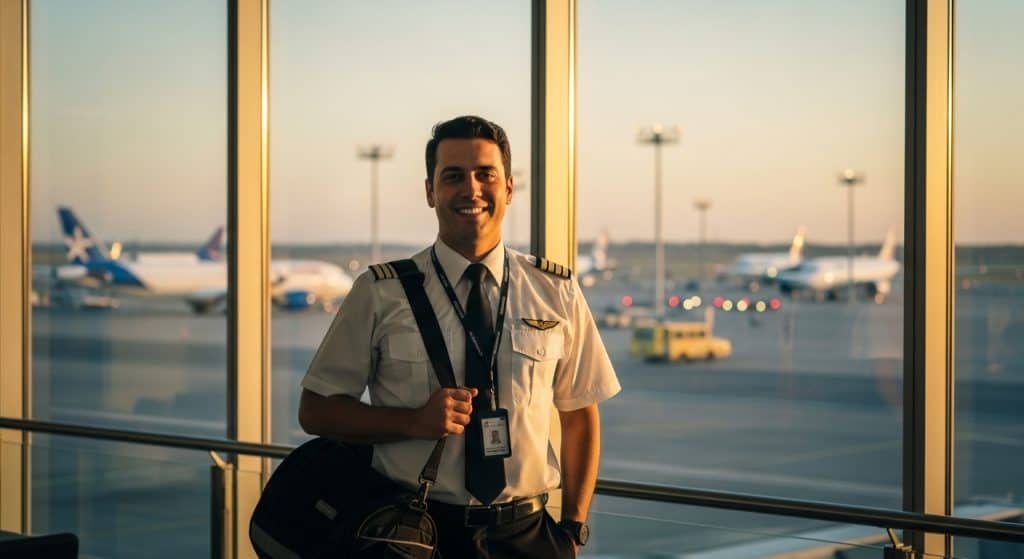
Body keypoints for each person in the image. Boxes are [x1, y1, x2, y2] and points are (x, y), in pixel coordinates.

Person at [298, 115, 620, 558]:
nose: (471, 190)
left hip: (527, 536)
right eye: (453, 176)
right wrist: (412, 422)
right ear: (430, 191)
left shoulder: (554, 291)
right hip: (414, 533)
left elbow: (580, 414)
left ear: (508, 187)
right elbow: (316, 412)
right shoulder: (380, 293)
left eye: (485, 174)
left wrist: (573, 530)